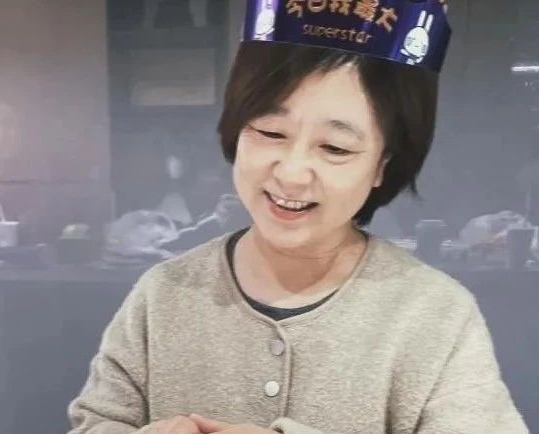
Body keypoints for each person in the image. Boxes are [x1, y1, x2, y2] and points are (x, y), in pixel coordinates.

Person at [67, 1, 529, 433]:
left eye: (335, 147)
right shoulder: (163, 295)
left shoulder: (436, 315)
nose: (291, 173)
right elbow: (97, 421)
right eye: (270, 132)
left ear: (381, 167)